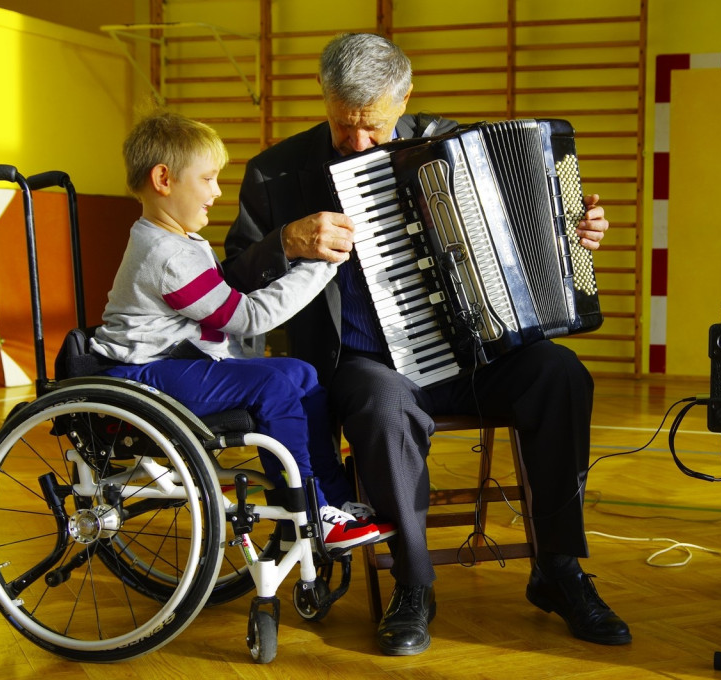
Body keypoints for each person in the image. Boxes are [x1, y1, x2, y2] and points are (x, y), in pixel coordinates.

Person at [223, 33, 630, 655]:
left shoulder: (453, 149)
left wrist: (575, 234)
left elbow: (536, 237)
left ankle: (559, 569)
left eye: (374, 128)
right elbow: (230, 281)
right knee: (382, 404)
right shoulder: (276, 172)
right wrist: (286, 241)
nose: (358, 143)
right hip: (367, 363)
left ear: (405, 98)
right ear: (323, 99)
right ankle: (413, 583)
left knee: (560, 373)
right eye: (342, 126)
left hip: (475, 355)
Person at [90, 110, 389, 554]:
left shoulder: (177, 241)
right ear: (163, 179)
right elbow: (247, 318)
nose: (216, 191)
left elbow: (219, 310)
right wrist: (322, 267)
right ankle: (307, 507)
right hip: (142, 375)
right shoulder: (167, 255)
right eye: (207, 179)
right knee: (272, 384)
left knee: (301, 374)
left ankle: (331, 496)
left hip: (173, 363)